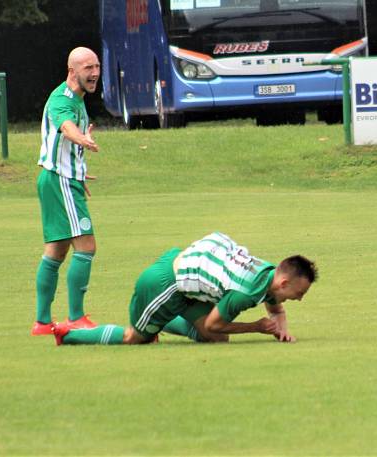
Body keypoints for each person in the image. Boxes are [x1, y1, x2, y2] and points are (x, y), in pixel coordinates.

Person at [53, 232, 318, 345]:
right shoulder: (244, 292)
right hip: (165, 283)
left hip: (187, 279)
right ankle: (69, 334)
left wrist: (280, 327)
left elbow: (274, 302)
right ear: (284, 283)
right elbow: (215, 323)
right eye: (299, 293)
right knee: (134, 338)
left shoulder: (268, 272)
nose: (300, 299)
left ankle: (159, 323)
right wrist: (256, 327)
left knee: (215, 340)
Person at [31, 47, 102, 336]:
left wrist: (79, 171)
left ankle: (43, 323)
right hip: (60, 181)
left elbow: (65, 144)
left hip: (58, 178)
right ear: (72, 71)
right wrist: (82, 139)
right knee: (86, 246)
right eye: (88, 67)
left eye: (97, 66)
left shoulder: (76, 98)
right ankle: (75, 318)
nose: (95, 72)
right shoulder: (62, 99)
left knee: (56, 250)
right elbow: (66, 128)